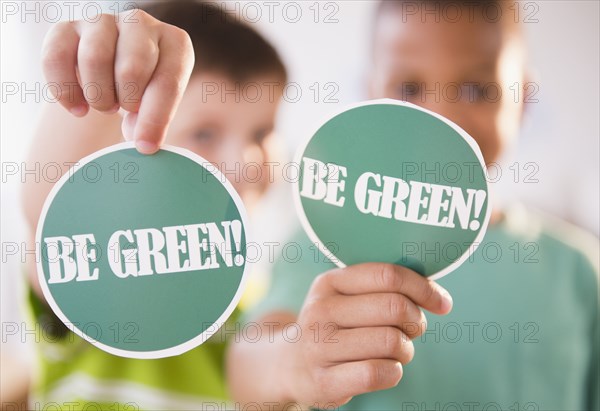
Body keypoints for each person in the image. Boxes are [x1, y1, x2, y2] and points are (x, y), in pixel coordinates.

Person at [227, 1, 599, 410]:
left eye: (476, 89)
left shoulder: (577, 270)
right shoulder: (330, 241)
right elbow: (248, 362)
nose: (441, 114)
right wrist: (291, 363)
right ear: (372, 96)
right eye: (409, 88)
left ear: (523, 100)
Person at [22, 1, 287, 409]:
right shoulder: (102, 266)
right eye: (203, 133)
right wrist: (100, 81)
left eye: (261, 131)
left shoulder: (254, 300)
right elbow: (47, 211)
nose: (243, 164)